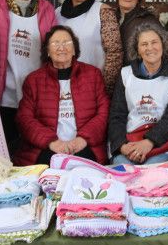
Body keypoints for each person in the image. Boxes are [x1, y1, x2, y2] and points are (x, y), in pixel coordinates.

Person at [0, 0, 56, 153]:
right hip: (4, 91)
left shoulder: (47, 9)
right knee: (6, 147)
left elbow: (53, 46)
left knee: (32, 148)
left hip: (37, 93)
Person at [15, 26, 109, 166]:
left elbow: (104, 113)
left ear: (74, 49)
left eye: (66, 43)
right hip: (47, 147)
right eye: (55, 43)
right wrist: (52, 142)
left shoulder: (93, 75)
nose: (61, 47)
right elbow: (25, 119)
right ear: (47, 51)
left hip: (84, 146)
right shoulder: (34, 80)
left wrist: (83, 139)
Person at [107, 22, 168, 165]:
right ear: (137, 50)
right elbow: (117, 115)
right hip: (130, 142)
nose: (150, 48)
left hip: (164, 143)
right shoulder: (126, 74)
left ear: (163, 45)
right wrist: (123, 146)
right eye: (144, 44)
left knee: (151, 172)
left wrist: (150, 142)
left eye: (154, 42)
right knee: (121, 169)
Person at [55, 0, 122, 95]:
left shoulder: (103, 11)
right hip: (62, 85)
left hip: (93, 86)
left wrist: (106, 88)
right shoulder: (57, 13)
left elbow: (114, 53)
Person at [113, 0, 160, 66]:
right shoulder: (110, 18)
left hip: (137, 75)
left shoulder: (148, 20)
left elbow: (162, 52)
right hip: (113, 75)